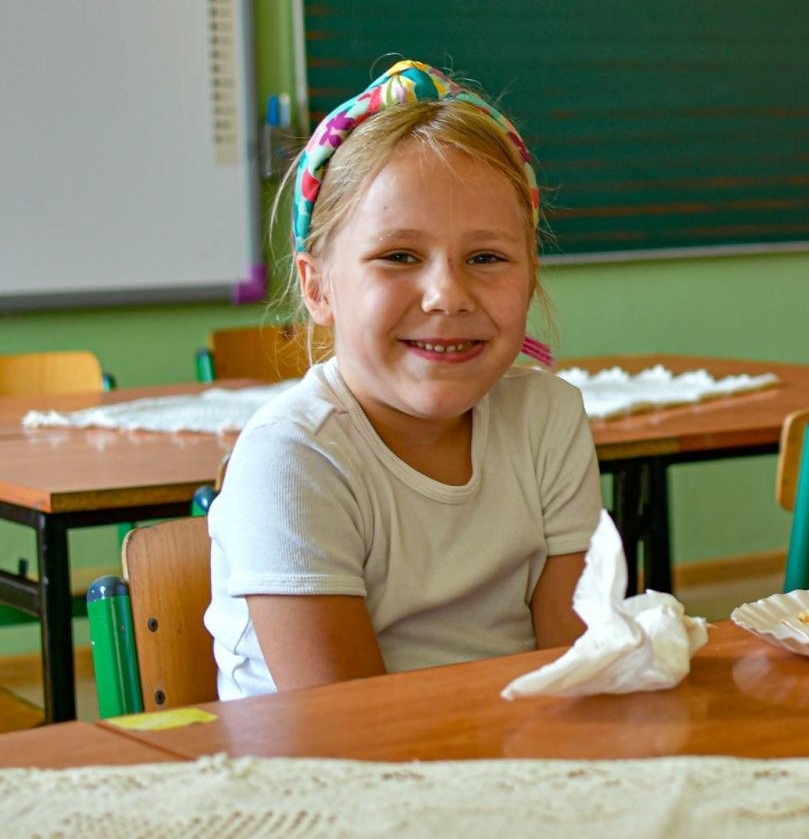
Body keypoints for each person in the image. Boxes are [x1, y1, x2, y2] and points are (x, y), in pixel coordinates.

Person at [205, 60, 602, 698]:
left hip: (511, 765)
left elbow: (573, 671)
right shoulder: (294, 456)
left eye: (486, 257)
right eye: (399, 256)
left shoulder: (547, 418)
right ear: (317, 286)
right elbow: (352, 726)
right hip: (339, 780)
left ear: (530, 275)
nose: (447, 294)